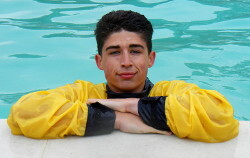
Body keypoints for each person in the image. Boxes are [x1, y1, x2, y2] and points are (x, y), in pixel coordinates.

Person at [7, 10, 239, 143]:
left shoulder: (168, 91)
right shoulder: (85, 93)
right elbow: (24, 112)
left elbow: (221, 116)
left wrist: (132, 105)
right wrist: (115, 119)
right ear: (99, 61)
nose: (126, 61)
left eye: (136, 51)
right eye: (115, 52)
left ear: (151, 58)